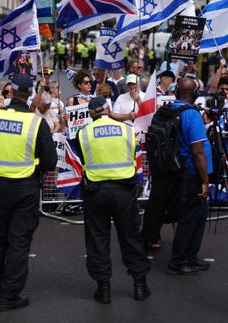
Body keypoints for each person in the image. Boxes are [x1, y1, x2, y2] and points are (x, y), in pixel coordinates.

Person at [0, 73, 57, 311]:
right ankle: (9, 296)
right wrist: (32, 166)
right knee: (19, 243)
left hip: (0, 187)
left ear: (10, 91)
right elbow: (49, 160)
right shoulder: (36, 123)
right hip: (26, 188)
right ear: (31, 94)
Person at [74, 97, 150, 304]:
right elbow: (134, 153)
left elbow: (82, 158)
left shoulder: (84, 133)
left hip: (96, 192)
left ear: (90, 114)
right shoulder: (126, 130)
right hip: (124, 192)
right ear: (109, 109)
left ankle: (104, 288)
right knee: (131, 238)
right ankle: (140, 285)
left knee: (98, 239)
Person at [166, 77, 212, 276]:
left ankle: (191, 256)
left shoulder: (170, 110)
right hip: (191, 174)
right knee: (188, 218)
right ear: (195, 95)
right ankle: (178, 261)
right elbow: (197, 152)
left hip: (177, 170)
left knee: (199, 216)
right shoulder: (190, 114)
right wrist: (205, 181)